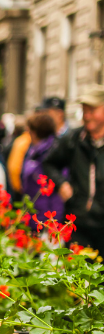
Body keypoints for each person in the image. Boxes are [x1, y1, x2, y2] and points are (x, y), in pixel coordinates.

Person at [43, 85, 104, 252]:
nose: (87, 116)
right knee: (77, 275)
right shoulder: (73, 139)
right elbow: (48, 163)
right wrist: (61, 183)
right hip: (78, 225)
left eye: (92, 110)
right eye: (84, 111)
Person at [21, 113, 65, 221]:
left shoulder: (54, 154)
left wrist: (52, 222)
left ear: (34, 133)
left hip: (44, 219)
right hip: (35, 215)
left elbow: (58, 195)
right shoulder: (34, 151)